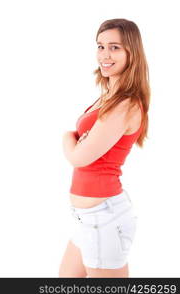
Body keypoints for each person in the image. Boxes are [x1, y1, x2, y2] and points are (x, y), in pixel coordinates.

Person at [59, 18, 150, 278]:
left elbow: (79, 157)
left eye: (114, 47)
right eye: (100, 46)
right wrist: (78, 142)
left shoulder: (126, 104)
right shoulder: (109, 95)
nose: (104, 55)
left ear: (131, 52)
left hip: (105, 217)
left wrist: (67, 136)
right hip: (87, 217)